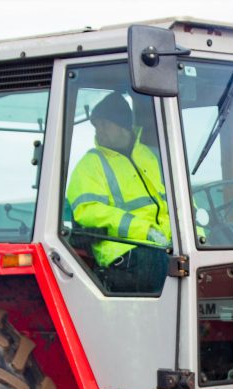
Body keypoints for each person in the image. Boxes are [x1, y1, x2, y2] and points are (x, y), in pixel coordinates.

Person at [66, 92, 171, 293]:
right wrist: (144, 230)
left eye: (104, 124)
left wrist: (198, 236)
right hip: (122, 249)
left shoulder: (152, 157)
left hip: (163, 246)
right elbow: (88, 211)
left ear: (122, 125)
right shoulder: (90, 164)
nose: (99, 131)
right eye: (96, 126)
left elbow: (181, 203)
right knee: (161, 265)